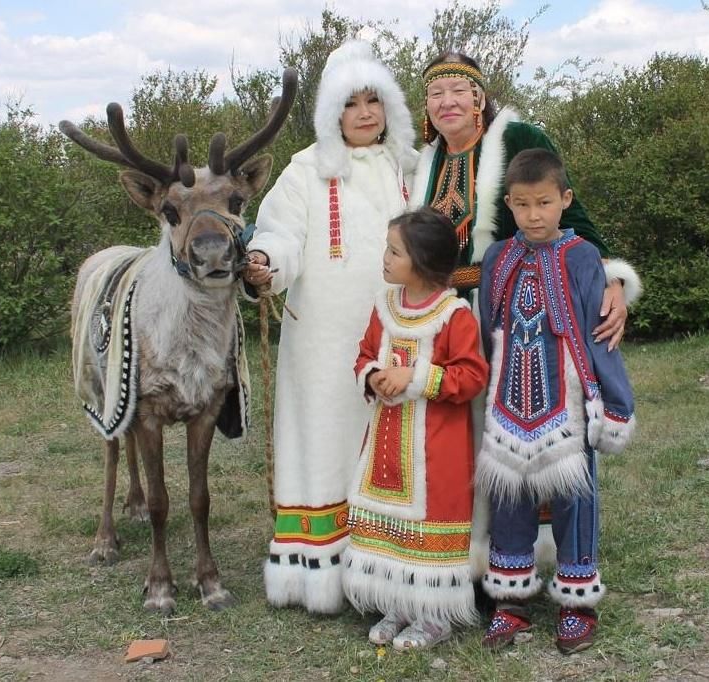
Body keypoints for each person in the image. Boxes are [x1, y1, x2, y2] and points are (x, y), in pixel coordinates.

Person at [242, 41, 417, 614]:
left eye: (375, 100)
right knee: (326, 439)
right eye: (351, 102)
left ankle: (395, 563)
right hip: (324, 340)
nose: (365, 113)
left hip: (400, 333)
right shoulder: (305, 169)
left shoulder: (410, 166)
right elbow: (280, 233)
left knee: (396, 442)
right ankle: (321, 568)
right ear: (330, 112)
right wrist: (266, 263)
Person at [477, 149, 636, 654]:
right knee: (508, 498)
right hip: (506, 400)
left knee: (576, 499)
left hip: (567, 402)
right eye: (522, 204)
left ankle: (577, 602)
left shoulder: (583, 256)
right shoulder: (499, 258)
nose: (534, 214)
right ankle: (511, 602)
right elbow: (486, 329)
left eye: (544, 202)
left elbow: (599, 335)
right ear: (509, 204)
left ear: (565, 200)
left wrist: (614, 401)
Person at [412, 51, 642, 345]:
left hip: (518, 311)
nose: (447, 101)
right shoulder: (423, 165)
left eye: (459, 90)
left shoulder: (518, 140)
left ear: (479, 99)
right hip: (441, 318)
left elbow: (569, 216)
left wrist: (612, 279)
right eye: (436, 94)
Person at [343, 207, 489, 650]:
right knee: (391, 526)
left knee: (430, 526)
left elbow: (472, 375)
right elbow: (365, 353)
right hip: (387, 446)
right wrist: (372, 375)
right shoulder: (385, 307)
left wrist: (417, 378)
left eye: (394, 251)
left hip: (435, 452)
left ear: (422, 261)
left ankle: (434, 616)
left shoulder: (453, 314)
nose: (384, 258)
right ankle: (399, 603)